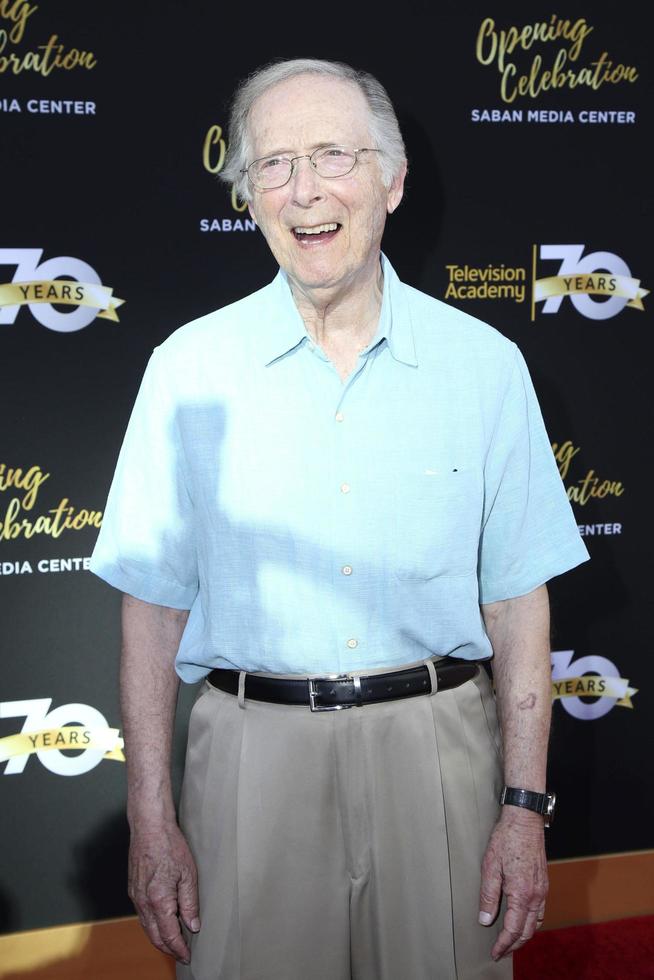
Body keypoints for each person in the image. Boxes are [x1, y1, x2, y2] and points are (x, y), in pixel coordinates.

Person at [90, 58, 589, 980]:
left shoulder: (485, 366)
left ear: (392, 181)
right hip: (249, 768)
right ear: (246, 196)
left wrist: (523, 808)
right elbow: (152, 608)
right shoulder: (186, 369)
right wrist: (151, 815)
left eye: (332, 156)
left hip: (440, 763)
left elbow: (520, 601)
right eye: (272, 165)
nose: (304, 190)